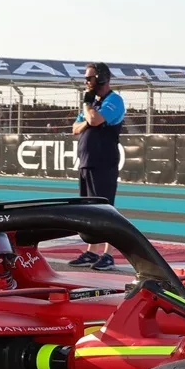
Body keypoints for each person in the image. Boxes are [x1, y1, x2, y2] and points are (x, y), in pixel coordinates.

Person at [66, 62, 126, 270]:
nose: (86, 82)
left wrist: (87, 108)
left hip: (103, 161)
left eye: (89, 78)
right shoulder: (92, 103)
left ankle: (109, 255)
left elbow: (95, 120)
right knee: (90, 210)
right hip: (87, 161)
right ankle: (92, 252)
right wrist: (87, 117)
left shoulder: (114, 100)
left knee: (106, 210)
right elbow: (75, 128)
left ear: (101, 78)